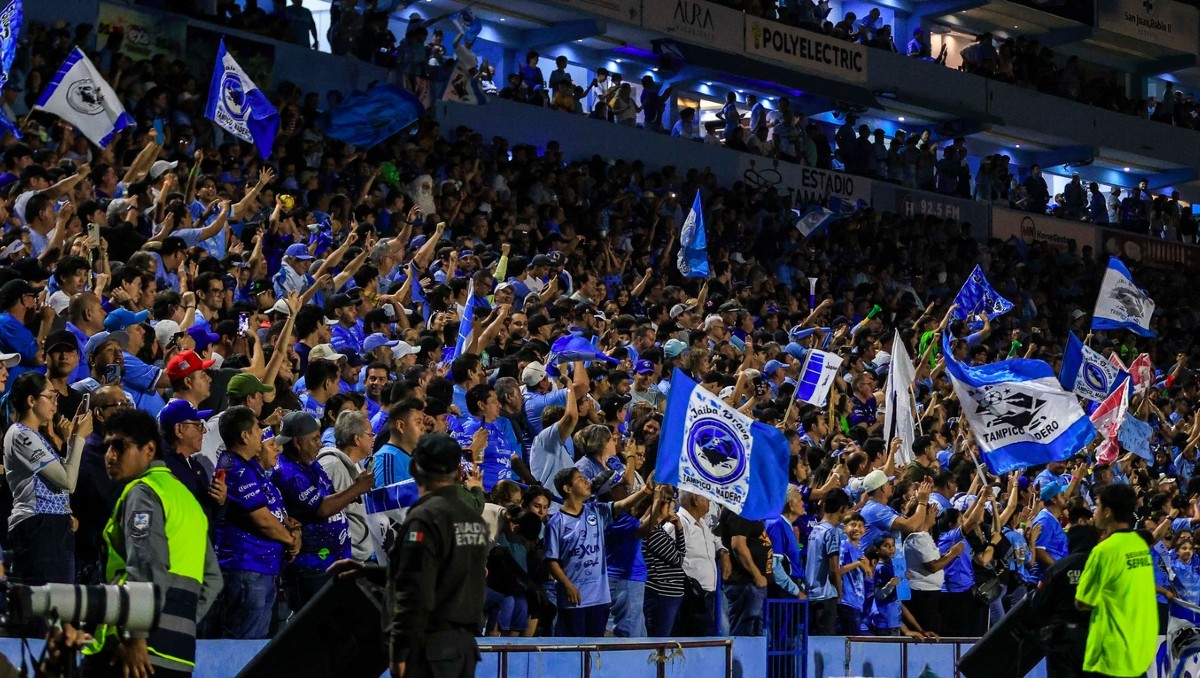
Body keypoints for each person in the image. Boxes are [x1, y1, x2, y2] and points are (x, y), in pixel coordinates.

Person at [80, 407, 223, 678]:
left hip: (132, 651)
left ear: (148, 449)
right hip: (178, 654)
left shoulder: (143, 493)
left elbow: (147, 565)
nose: (109, 455)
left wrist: (136, 635)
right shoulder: (185, 498)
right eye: (106, 447)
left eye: (119, 446)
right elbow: (213, 579)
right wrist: (179, 625)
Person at [386, 433, 490, 678]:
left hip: (430, 650)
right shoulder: (473, 518)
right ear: (457, 472)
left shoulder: (426, 518)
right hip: (463, 648)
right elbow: (449, 569)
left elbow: (416, 588)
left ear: (414, 468)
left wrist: (399, 648)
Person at [212, 405, 298, 639]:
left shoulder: (249, 466)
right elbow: (262, 520)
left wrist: (293, 530)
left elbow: (274, 514)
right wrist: (290, 540)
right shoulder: (235, 469)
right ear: (244, 435)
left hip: (261, 569)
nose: (261, 433)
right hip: (247, 569)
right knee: (242, 648)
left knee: (255, 645)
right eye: (257, 429)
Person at [273, 411, 373, 610]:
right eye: (315, 439)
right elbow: (321, 508)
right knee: (312, 629)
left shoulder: (310, 465)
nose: (320, 444)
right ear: (298, 442)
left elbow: (329, 496)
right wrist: (357, 488)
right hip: (312, 566)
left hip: (332, 561)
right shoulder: (288, 473)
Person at [4, 371, 91, 585]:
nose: (55, 403)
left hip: (53, 526)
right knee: (47, 607)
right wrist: (79, 438)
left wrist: (72, 439)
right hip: (38, 526)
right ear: (31, 400)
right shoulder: (21, 435)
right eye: (50, 397)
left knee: (61, 607)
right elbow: (68, 482)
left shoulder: (36, 436)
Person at [544, 466, 651, 637]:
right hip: (574, 599)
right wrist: (568, 586)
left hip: (599, 599)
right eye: (580, 479)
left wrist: (646, 490)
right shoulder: (556, 523)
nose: (587, 481)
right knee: (574, 649)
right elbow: (551, 560)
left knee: (595, 649)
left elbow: (623, 505)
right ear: (567, 488)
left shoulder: (596, 511)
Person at [1075, 484, 1157, 678]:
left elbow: (1083, 602)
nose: (1094, 512)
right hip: (1139, 651)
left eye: (1097, 506)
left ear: (1108, 512)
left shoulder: (1104, 551)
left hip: (1111, 656)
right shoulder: (1139, 544)